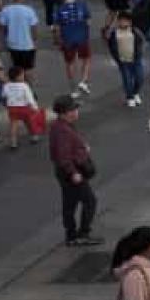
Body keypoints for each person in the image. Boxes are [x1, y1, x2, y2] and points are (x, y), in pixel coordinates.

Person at [49, 94, 101, 247]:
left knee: (70, 203)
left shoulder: (60, 126)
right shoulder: (62, 131)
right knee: (90, 201)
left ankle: (71, 235)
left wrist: (82, 148)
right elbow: (63, 156)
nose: (77, 111)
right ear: (65, 112)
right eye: (74, 109)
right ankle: (83, 233)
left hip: (65, 172)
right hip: (72, 172)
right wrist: (73, 173)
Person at [53, 0, 94, 96]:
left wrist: (57, 40)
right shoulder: (82, 5)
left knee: (70, 63)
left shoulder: (59, 9)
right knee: (86, 59)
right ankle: (84, 81)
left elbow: (57, 27)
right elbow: (88, 22)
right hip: (82, 38)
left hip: (67, 39)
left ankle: (74, 89)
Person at [106, 10, 146, 108]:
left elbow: (141, 41)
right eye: (121, 20)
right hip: (123, 61)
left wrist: (139, 53)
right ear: (118, 21)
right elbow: (111, 45)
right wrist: (116, 58)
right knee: (127, 79)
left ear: (130, 22)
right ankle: (130, 97)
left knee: (140, 78)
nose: (123, 23)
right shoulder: (114, 33)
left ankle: (135, 92)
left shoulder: (135, 32)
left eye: (126, 21)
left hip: (135, 59)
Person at [0, 0, 40, 74]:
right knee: (28, 69)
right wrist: (35, 40)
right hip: (28, 44)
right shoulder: (29, 10)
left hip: (13, 44)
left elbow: (2, 26)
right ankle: (28, 86)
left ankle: (18, 85)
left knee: (16, 68)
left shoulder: (6, 10)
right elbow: (34, 27)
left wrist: (7, 36)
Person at [1, 64, 44, 149]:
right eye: (22, 75)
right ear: (18, 77)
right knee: (29, 122)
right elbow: (29, 98)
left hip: (12, 108)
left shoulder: (6, 85)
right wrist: (35, 107)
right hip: (24, 107)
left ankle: (13, 142)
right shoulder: (24, 86)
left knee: (13, 124)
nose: (23, 76)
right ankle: (34, 136)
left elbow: (4, 96)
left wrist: (6, 104)